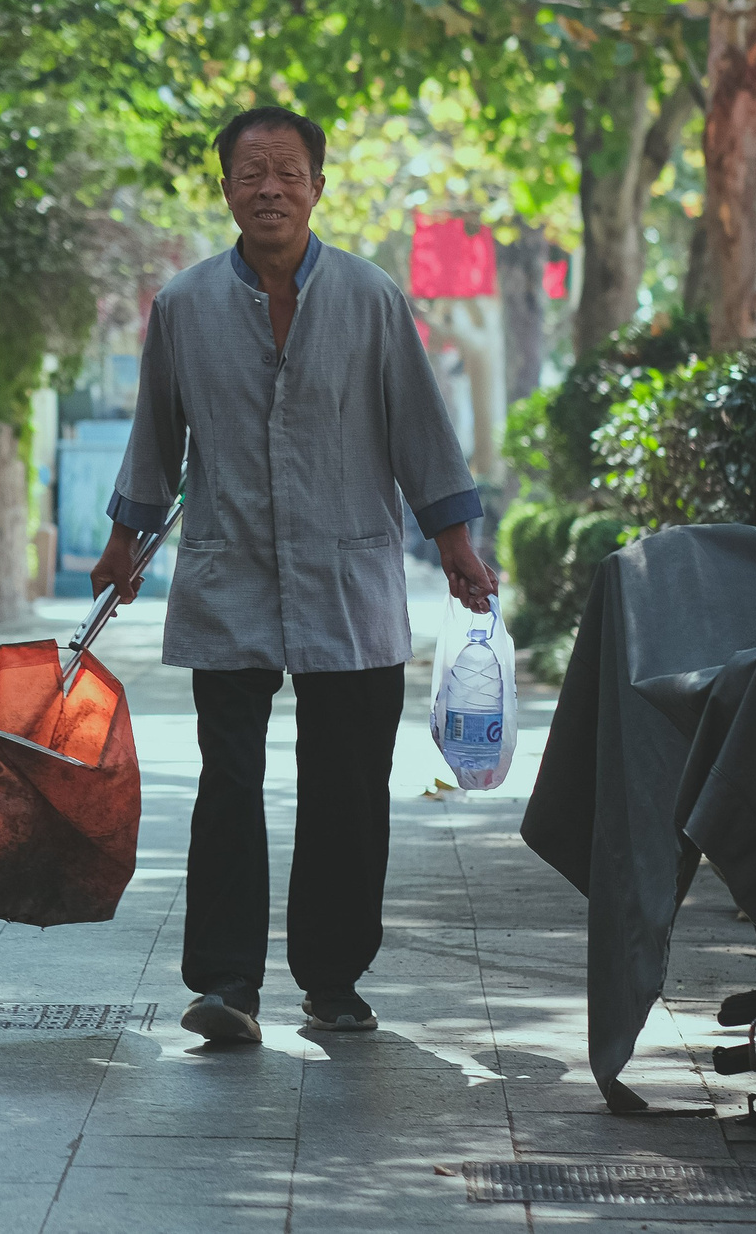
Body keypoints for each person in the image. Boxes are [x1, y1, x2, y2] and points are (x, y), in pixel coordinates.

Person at [89, 105, 498, 1044]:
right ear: (226, 188)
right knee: (228, 780)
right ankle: (228, 981)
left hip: (349, 577)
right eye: (250, 173)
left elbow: (421, 433)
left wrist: (455, 542)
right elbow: (156, 436)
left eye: (288, 171)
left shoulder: (371, 298)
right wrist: (126, 543)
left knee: (348, 782)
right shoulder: (186, 306)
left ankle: (334, 977)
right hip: (228, 572)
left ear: (318, 184)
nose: (269, 188)